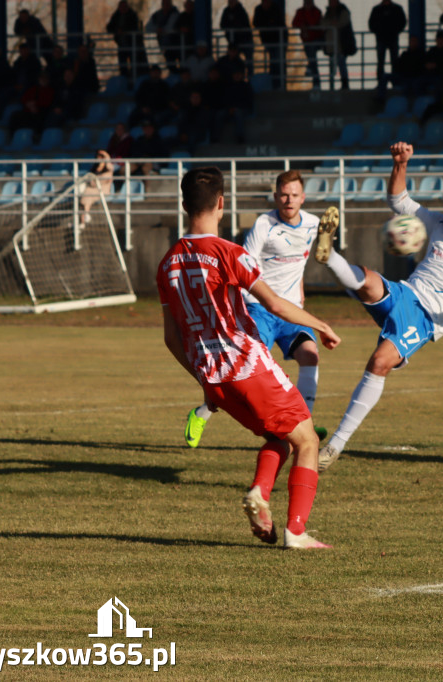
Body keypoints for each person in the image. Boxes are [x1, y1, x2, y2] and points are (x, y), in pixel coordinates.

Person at [315, 141, 443, 470]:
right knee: (369, 280)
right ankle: (329, 256)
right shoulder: (438, 223)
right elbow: (398, 200)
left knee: (379, 361)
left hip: (427, 319)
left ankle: (334, 447)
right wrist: (400, 164)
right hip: (407, 293)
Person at [158, 166, 340, 549]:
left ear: (183, 203)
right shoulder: (229, 253)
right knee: (306, 440)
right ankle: (296, 530)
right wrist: (320, 325)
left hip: (213, 377)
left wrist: (202, 380)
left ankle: (260, 491)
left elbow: (172, 339)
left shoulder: (167, 263)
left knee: (278, 435)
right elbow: (275, 303)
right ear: (221, 204)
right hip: (247, 365)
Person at [185, 170, 339, 449]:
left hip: (292, 311)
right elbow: (244, 269)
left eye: (294, 195)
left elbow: (298, 264)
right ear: (275, 196)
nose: (288, 200)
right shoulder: (263, 225)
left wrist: (300, 292)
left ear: (303, 197)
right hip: (261, 309)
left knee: (311, 356)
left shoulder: (314, 224)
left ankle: (303, 424)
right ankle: (202, 413)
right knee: (241, 372)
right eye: (283, 194)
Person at [369, 0, 406, 87]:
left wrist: (394, 30)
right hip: (382, 39)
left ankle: (395, 82)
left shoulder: (396, 8)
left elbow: (402, 22)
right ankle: (381, 83)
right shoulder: (377, 9)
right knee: (381, 62)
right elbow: (371, 24)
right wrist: (379, 31)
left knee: (394, 62)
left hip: (392, 38)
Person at [107, 1, 148, 78]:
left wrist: (124, 30)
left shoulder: (132, 15)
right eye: (121, 7)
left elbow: (134, 27)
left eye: (124, 7)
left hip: (131, 44)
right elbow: (109, 27)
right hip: (122, 44)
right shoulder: (116, 16)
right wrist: (117, 30)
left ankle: (132, 79)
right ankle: (125, 80)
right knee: (123, 65)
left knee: (134, 64)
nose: (123, 9)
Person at [253, 0, 289, 89]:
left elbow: (279, 23)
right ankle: (275, 85)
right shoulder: (258, 9)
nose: (266, 3)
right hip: (268, 40)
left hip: (278, 39)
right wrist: (268, 24)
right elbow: (256, 23)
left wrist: (268, 24)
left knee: (278, 62)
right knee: (274, 62)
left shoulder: (276, 8)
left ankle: (280, 85)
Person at [322, 0, 356, 90]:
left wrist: (331, 23)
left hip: (341, 44)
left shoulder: (343, 11)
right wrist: (332, 23)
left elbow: (342, 22)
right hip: (331, 45)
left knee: (341, 63)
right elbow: (322, 24)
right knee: (333, 65)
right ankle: (332, 84)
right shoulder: (328, 12)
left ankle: (345, 83)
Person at [293, 0, 324, 89]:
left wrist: (305, 24)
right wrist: (302, 25)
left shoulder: (317, 11)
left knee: (312, 59)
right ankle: (316, 82)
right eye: (306, 2)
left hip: (317, 40)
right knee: (312, 60)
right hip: (307, 41)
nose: (307, 4)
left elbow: (313, 23)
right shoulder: (300, 11)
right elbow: (294, 23)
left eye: (309, 2)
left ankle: (315, 81)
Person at [220, 0, 255, 77]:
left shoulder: (241, 11)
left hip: (245, 40)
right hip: (234, 42)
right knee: (235, 61)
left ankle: (250, 79)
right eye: (230, 1)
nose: (231, 2)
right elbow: (222, 24)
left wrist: (233, 28)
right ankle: (236, 79)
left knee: (249, 62)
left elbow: (244, 24)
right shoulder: (226, 11)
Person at [146, 0, 182, 72]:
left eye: (168, 4)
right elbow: (148, 27)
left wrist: (162, 30)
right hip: (165, 45)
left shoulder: (175, 14)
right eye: (165, 4)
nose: (166, 6)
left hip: (176, 43)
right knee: (170, 63)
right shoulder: (157, 15)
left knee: (181, 62)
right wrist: (157, 29)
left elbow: (170, 27)